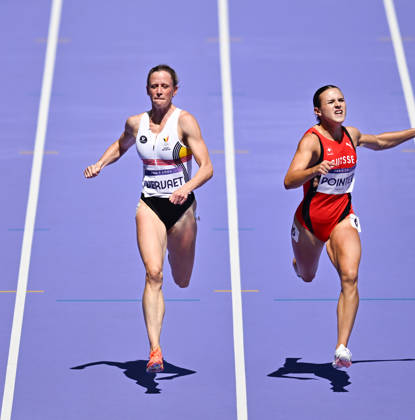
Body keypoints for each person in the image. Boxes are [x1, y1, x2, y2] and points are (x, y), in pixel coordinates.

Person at [84, 64, 213, 373]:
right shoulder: (135, 123)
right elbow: (121, 145)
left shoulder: (185, 122)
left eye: (165, 86)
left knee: (181, 280)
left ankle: (174, 248)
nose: (159, 91)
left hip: (181, 209)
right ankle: (155, 350)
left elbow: (207, 167)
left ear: (174, 91)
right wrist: (101, 163)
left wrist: (187, 187)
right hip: (150, 205)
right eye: (154, 86)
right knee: (153, 274)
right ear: (147, 90)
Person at [284, 85, 415, 368]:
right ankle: (300, 263)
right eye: (331, 102)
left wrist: (413, 132)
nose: (339, 105)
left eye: (341, 99)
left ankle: (342, 347)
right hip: (309, 223)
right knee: (307, 275)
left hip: (342, 217)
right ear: (318, 111)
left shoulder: (351, 135)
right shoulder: (312, 142)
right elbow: (289, 180)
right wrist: (313, 170)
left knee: (350, 276)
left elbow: (379, 141)